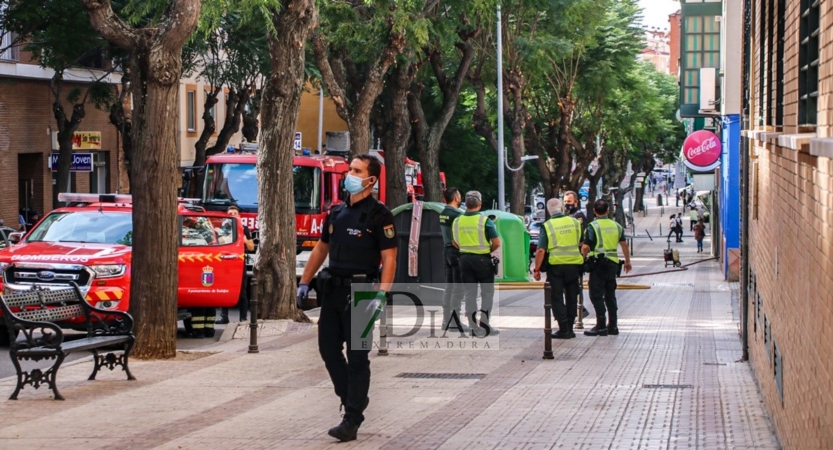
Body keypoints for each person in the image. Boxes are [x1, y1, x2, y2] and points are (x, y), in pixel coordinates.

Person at [296, 154, 397, 442]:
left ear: (371, 179)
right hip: (333, 291)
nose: (348, 174)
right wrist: (304, 282)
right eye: (349, 169)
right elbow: (320, 249)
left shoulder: (380, 215)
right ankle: (353, 398)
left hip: (363, 293)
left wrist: (382, 294)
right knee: (328, 350)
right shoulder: (336, 213)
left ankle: (351, 419)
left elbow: (389, 258)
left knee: (357, 357)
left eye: (356, 170)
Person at [452, 190, 501, 335]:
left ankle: (473, 326)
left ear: (465, 204)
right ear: (480, 204)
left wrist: (466, 248)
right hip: (483, 260)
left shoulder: (457, 221)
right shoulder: (485, 221)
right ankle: (485, 324)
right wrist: (487, 250)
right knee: (487, 293)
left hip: (465, 260)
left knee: (470, 293)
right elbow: (496, 243)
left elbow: (454, 242)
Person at [533, 198, 583, 339]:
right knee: (572, 297)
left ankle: (563, 328)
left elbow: (541, 250)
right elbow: (582, 243)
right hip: (574, 265)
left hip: (556, 266)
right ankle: (571, 328)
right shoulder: (575, 223)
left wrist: (537, 269)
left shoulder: (548, 225)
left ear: (548, 211)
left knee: (556, 297)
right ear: (562, 208)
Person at [581, 199, 632, 336]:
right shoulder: (617, 226)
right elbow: (624, 245)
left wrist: (582, 259)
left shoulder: (592, 227)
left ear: (594, 211)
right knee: (610, 295)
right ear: (608, 210)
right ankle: (613, 326)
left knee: (596, 294)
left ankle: (601, 325)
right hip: (613, 265)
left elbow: (585, 246)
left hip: (598, 265)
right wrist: (627, 261)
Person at [219, 205, 256, 323]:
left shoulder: (244, 229)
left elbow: (251, 247)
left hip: (239, 263)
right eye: (230, 213)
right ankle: (224, 317)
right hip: (225, 263)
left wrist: (244, 240)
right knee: (223, 290)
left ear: (239, 216)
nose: (233, 215)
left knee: (242, 291)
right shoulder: (221, 228)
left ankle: (243, 317)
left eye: (235, 213)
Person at [438, 187, 466, 331]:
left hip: (446, 251)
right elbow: (457, 239)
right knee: (458, 289)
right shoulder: (457, 215)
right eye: (460, 195)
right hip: (456, 252)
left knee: (449, 287)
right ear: (456, 198)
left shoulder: (443, 213)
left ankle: (446, 320)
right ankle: (455, 322)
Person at [563, 190, 591, 319]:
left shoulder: (578, 216)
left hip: (576, 257)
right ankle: (577, 311)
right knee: (569, 287)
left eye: (569, 202)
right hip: (567, 257)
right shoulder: (566, 216)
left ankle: (578, 311)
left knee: (573, 287)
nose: (566, 204)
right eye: (564, 202)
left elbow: (583, 239)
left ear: (576, 202)